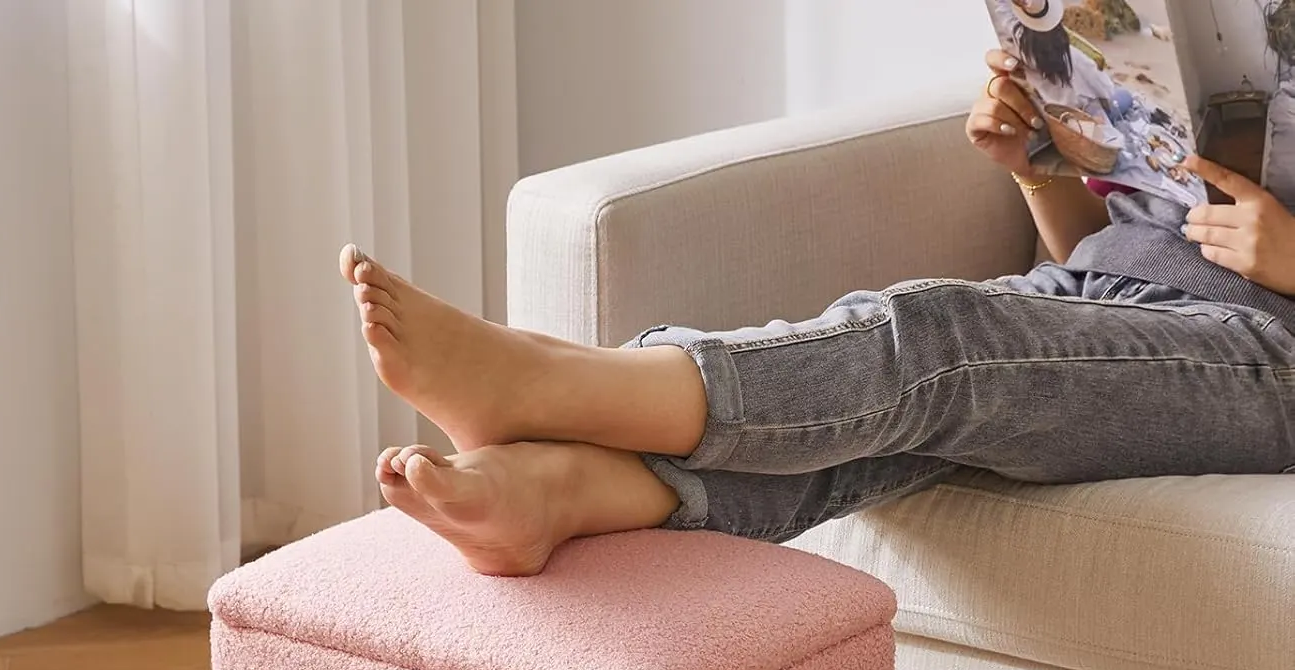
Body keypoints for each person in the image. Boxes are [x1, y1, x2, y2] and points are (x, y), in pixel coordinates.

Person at [338, 49, 1295, 578]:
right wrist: (1041, 167)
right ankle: (550, 495)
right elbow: (1099, 255)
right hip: (1102, 295)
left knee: (941, 343)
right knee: (881, 431)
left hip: (1264, 350)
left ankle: (543, 382)